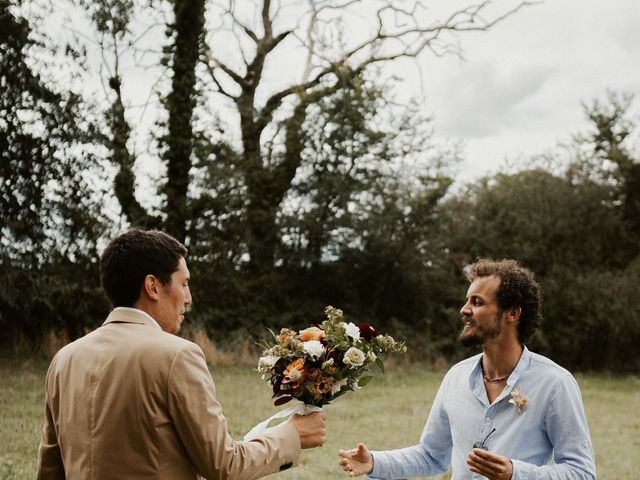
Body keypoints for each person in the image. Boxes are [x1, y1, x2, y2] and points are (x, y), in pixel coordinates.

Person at [37, 229, 327, 480]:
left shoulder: (64, 359)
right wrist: (292, 435)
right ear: (153, 286)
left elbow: (50, 471)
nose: (188, 297)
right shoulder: (177, 355)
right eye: (184, 283)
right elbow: (223, 465)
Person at [338, 258, 596, 479]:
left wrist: (515, 473)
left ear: (513, 313)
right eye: (467, 301)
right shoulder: (456, 377)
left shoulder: (554, 383)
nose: (464, 310)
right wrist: (374, 462)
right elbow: (431, 455)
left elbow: (581, 472)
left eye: (477, 302)